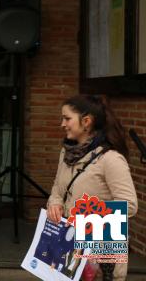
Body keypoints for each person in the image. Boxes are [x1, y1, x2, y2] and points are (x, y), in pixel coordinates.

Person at [47, 94, 138, 281]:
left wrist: (83, 219)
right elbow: (58, 187)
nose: (62, 124)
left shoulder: (110, 159)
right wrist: (55, 202)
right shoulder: (67, 152)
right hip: (69, 244)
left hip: (99, 251)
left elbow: (129, 204)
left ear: (86, 121)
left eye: (67, 118)